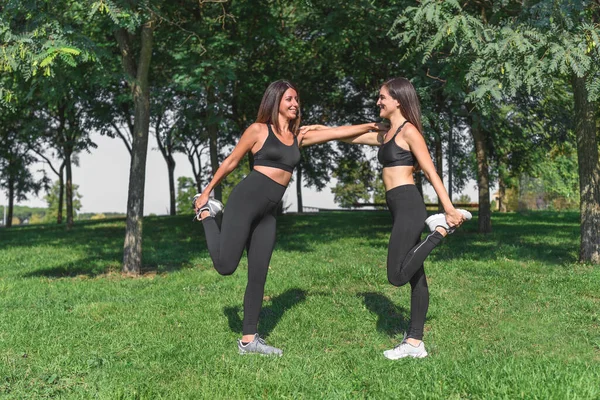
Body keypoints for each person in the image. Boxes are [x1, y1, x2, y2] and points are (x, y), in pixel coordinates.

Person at [193, 80, 382, 356]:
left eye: (297, 100)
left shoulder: (298, 136)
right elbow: (232, 160)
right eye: (289, 99)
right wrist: (207, 192)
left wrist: (370, 126)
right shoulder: (258, 130)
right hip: (244, 203)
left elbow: (336, 133)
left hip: (269, 213)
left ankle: (249, 340)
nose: (295, 104)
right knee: (225, 266)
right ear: (275, 102)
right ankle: (207, 213)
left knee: (258, 275)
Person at [300, 77, 471, 359]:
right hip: (398, 206)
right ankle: (415, 342)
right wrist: (322, 130)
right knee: (416, 276)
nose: (378, 101)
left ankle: (439, 230)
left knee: (396, 275)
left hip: (409, 204)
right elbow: (351, 136)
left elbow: (430, 171)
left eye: (382, 97)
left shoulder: (409, 132)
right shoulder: (388, 133)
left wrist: (449, 208)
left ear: (398, 100)